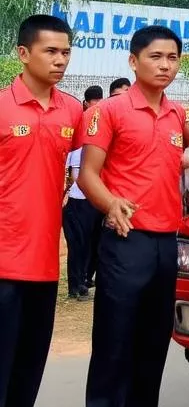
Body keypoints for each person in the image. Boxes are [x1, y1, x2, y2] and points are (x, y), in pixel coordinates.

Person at [78, 26, 189, 407]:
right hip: (125, 242)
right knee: (113, 354)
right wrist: (111, 205)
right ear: (133, 62)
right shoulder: (110, 111)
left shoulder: (176, 114)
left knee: (150, 353)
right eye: (155, 57)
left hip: (165, 244)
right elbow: (87, 175)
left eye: (173, 58)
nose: (165, 65)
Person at [0, 15, 82, 407]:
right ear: (22, 53)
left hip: (44, 268)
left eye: (66, 52)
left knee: (25, 378)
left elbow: (107, 157)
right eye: (50, 51)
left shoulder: (71, 111)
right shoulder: (2, 107)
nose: (60, 60)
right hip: (2, 267)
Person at [62, 85, 105, 300]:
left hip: (95, 200)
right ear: (86, 105)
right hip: (78, 199)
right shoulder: (76, 137)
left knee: (93, 242)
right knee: (78, 244)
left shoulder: (100, 137)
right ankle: (75, 285)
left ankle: (85, 278)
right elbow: (71, 173)